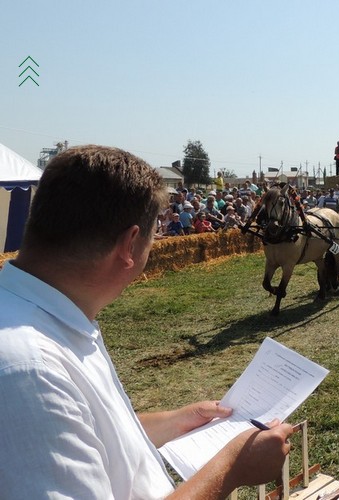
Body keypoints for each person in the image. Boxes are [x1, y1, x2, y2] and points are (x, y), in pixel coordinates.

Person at [0, 145, 294, 498]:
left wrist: (174, 422)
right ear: (130, 245)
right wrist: (232, 466)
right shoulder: (31, 371)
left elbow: (88, 434)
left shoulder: (45, 319)